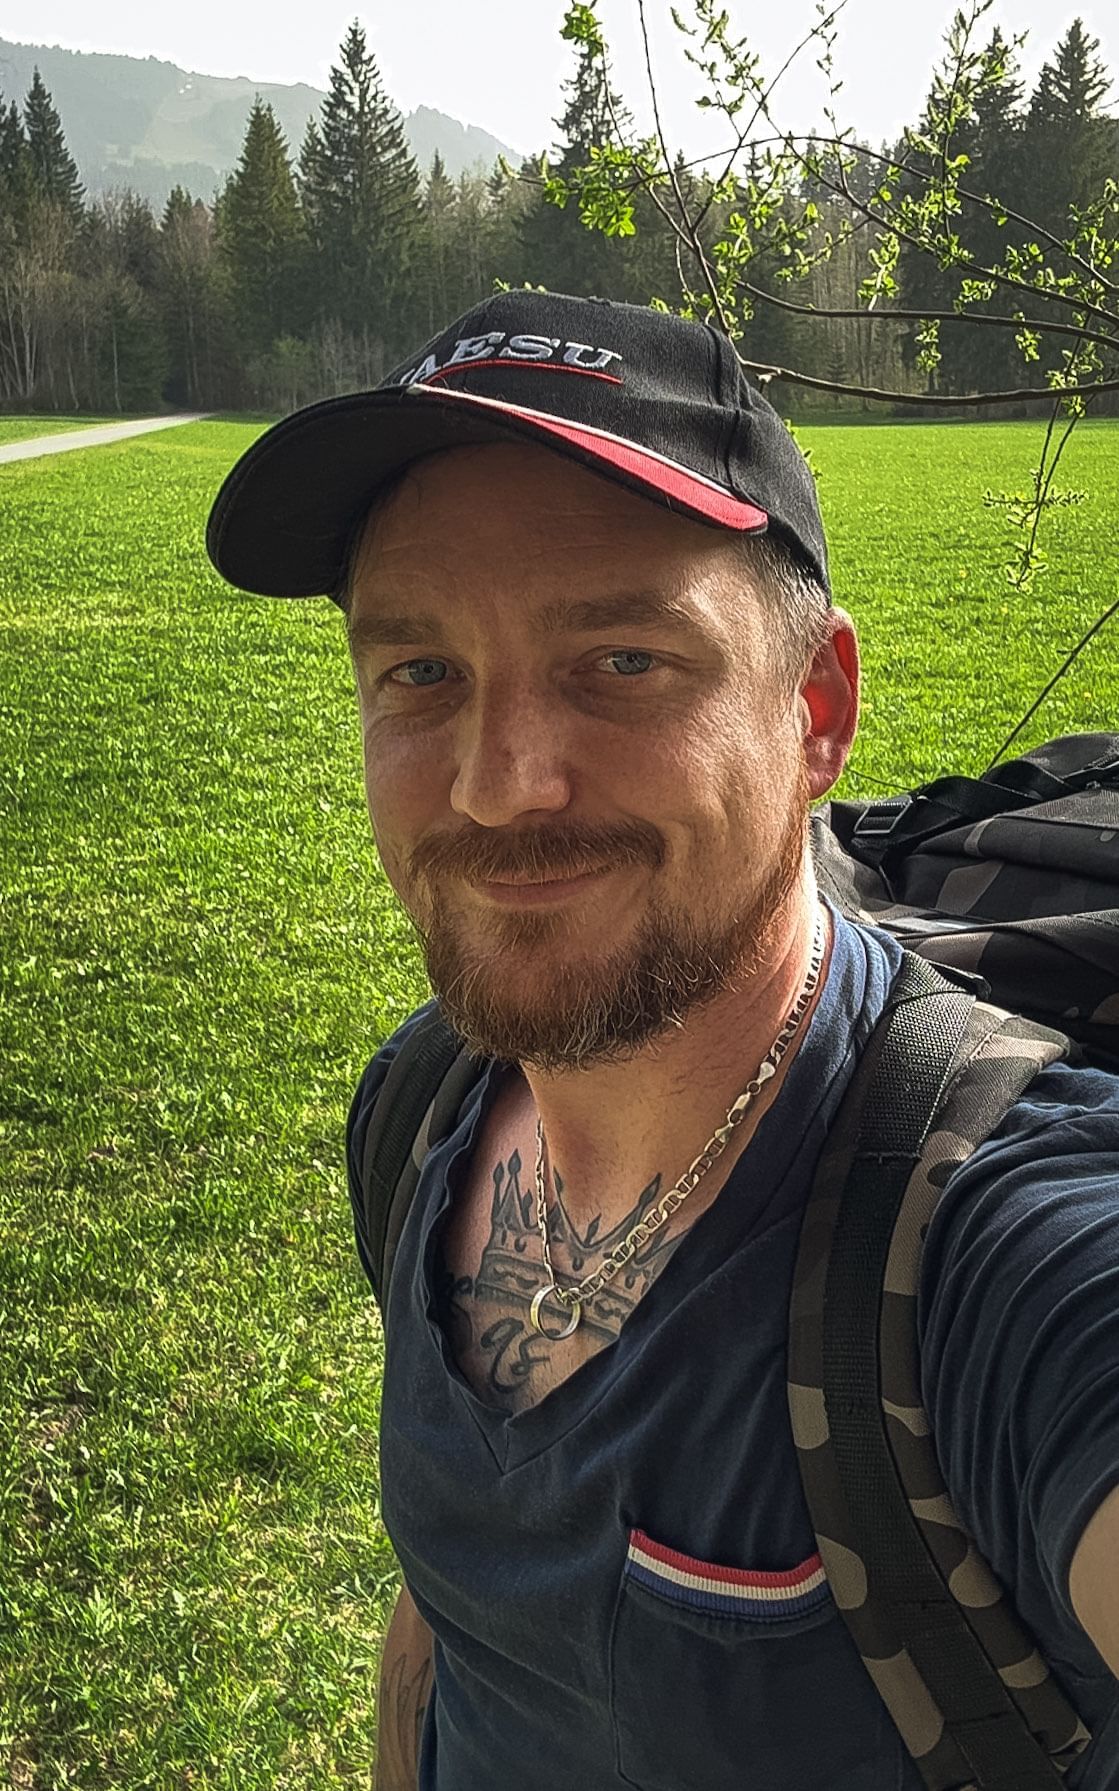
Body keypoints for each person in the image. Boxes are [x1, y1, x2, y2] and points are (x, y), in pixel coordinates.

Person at [207, 291, 1119, 1790]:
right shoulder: (425, 1108)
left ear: (815, 713)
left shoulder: (987, 1251)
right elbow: (456, 1611)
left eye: (623, 661)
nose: (499, 785)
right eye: (421, 672)